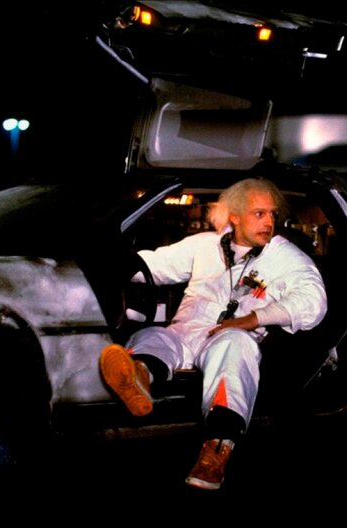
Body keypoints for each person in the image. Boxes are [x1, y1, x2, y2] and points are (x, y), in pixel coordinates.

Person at [99, 177, 327, 490]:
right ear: (235, 216)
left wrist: (252, 319)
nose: (269, 222)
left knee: (233, 347)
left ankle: (217, 449)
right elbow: (151, 266)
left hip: (229, 341)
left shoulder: (285, 256)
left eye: (272, 214)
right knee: (153, 337)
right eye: (259, 213)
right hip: (186, 333)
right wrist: (102, 264)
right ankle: (139, 376)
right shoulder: (205, 245)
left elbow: (313, 302)